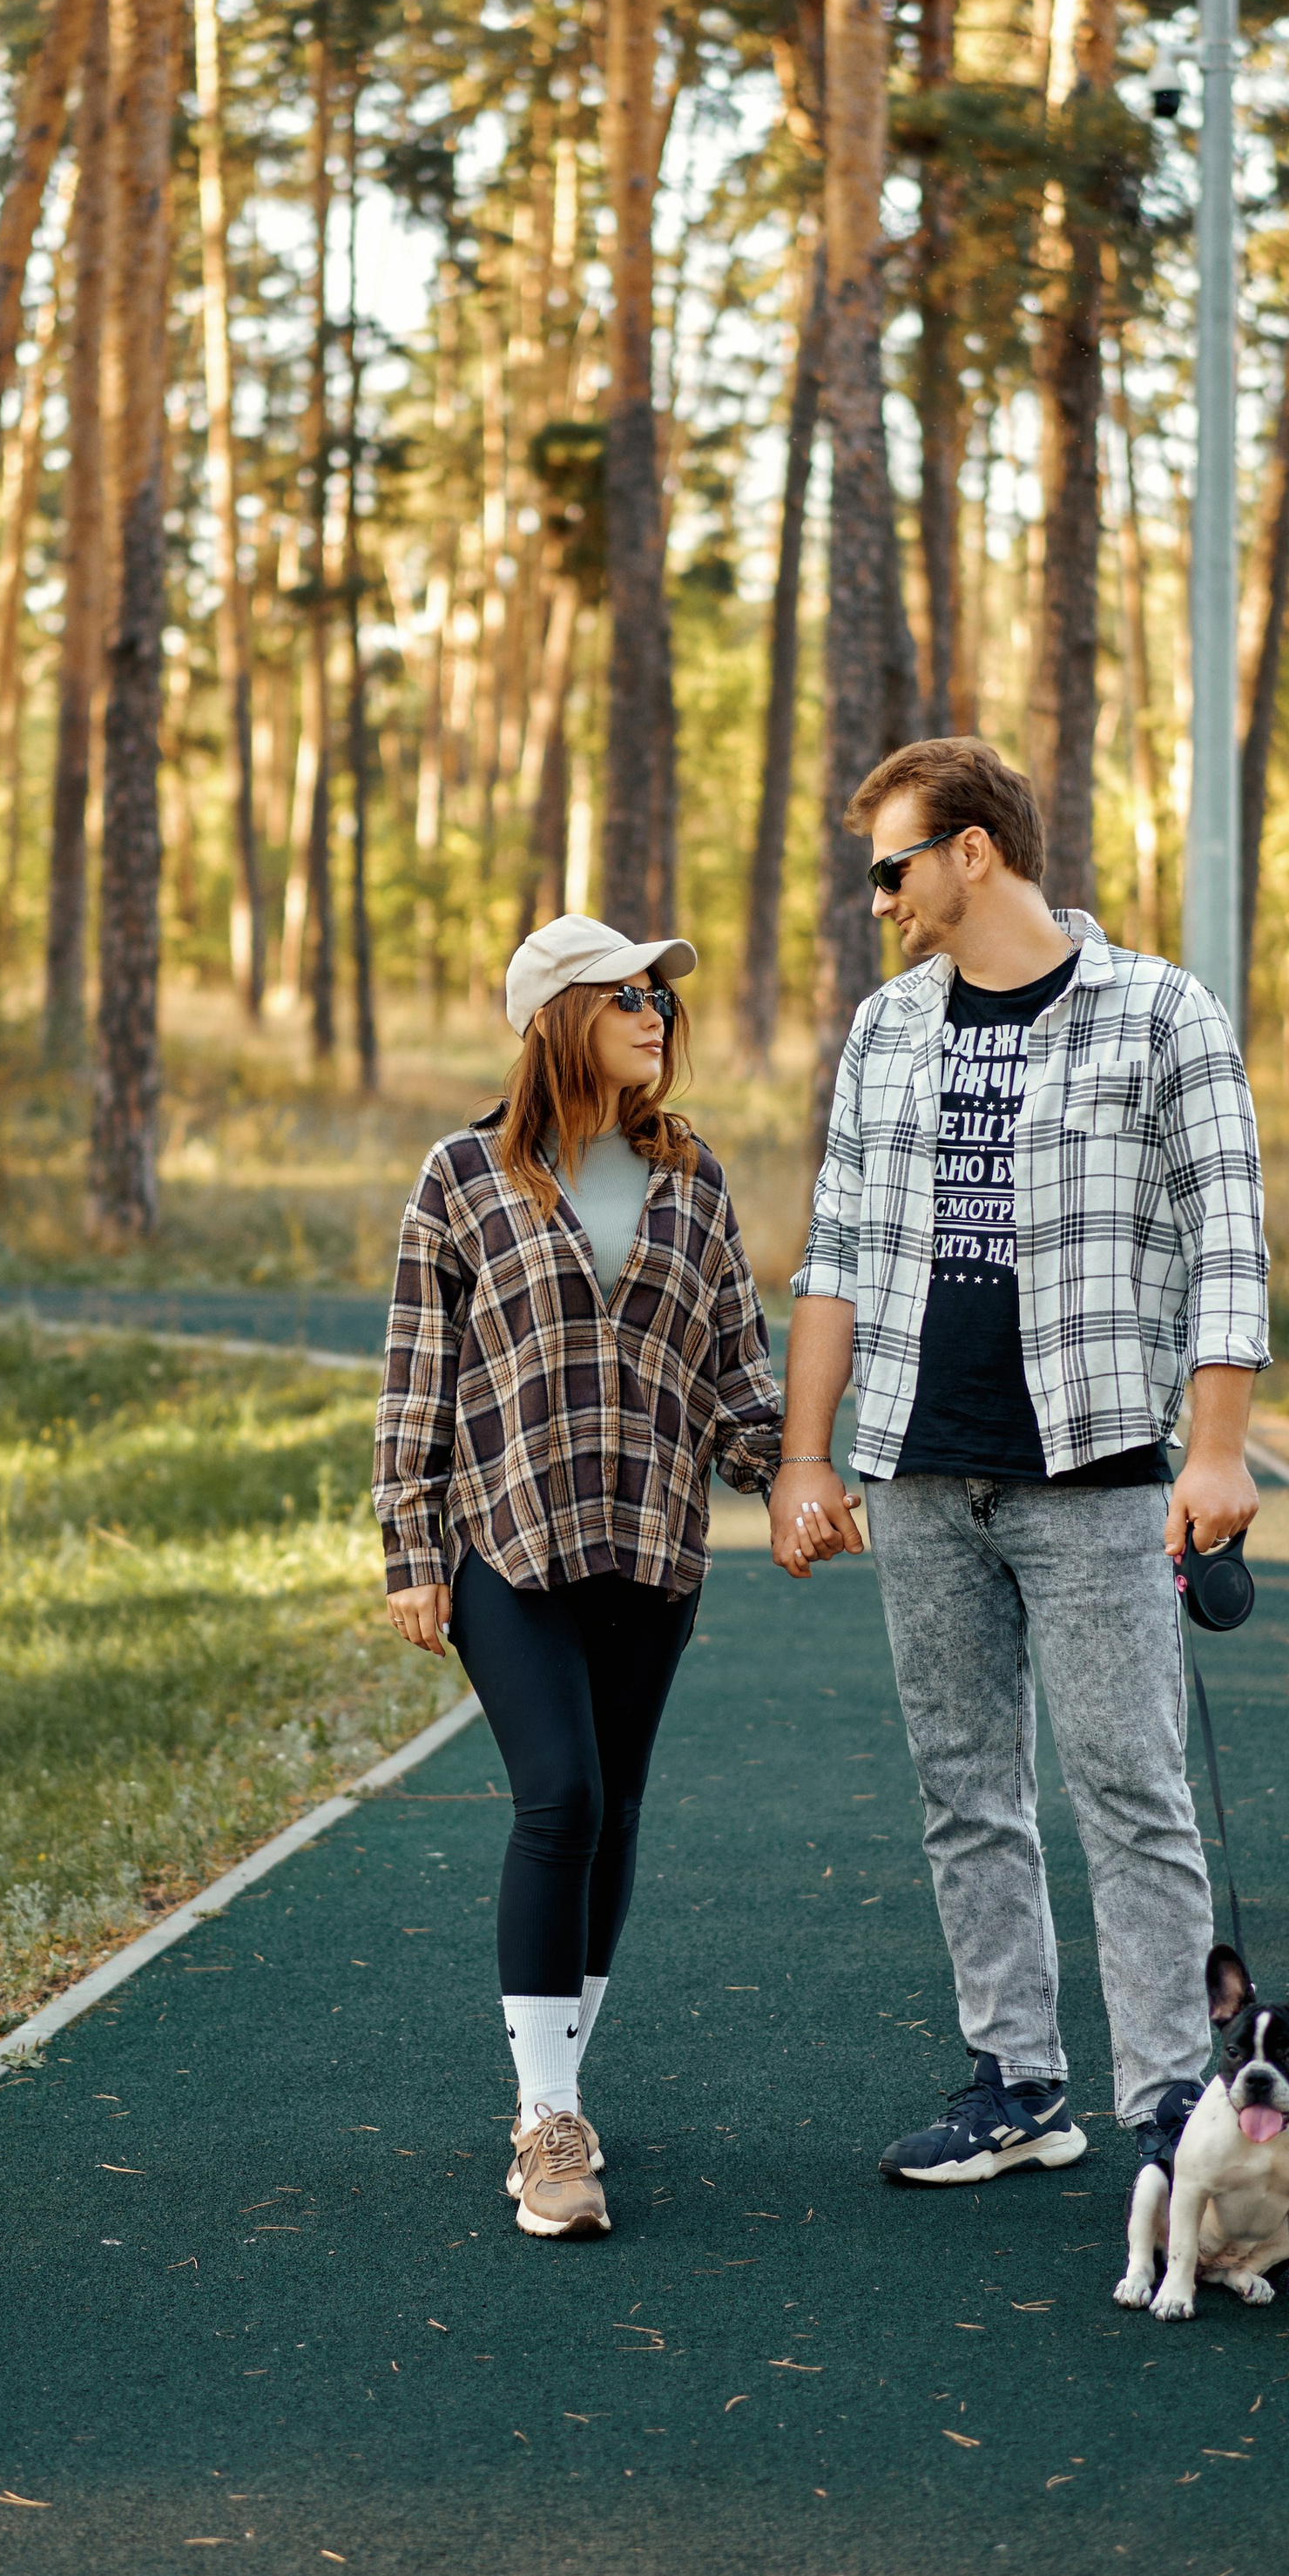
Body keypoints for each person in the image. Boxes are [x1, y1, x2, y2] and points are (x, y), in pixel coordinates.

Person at [769, 738, 1270, 2195]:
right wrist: (806, 1457)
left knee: (1131, 1790)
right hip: (920, 1469)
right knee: (965, 1789)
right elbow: (836, 1250)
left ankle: (1170, 2102)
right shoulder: (886, 1029)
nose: (881, 900)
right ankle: (1017, 2085)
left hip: (1095, 1469)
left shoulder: (1162, 1012)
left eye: (894, 869)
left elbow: (1229, 1237)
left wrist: (1218, 1447)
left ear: (972, 852)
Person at [375, 914, 784, 2242]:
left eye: (661, 996)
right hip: (511, 1537)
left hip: (653, 1543)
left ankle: (563, 2085)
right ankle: (545, 2119)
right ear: (560, 1016)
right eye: (627, 996)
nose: (656, 1015)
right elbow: (417, 1375)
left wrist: (798, 1472)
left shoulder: (691, 1175)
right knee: (560, 1797)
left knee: (617, 1810)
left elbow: (738, 1366)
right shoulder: (463, 1175)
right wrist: (410, 1548)